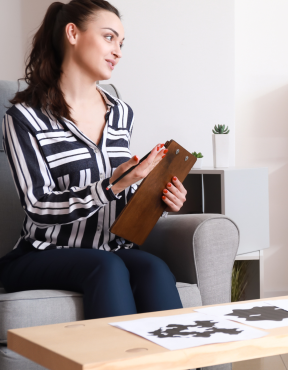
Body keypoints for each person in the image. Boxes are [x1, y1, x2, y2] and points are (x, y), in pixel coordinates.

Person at [0, 0, 188, 320]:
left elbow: (119, 197)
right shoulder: (25, 116)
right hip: (44, 253)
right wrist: (113, 185)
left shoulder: (121, 113)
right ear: (73, 33)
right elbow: (38, 206)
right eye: (109, 37)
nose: (118, 51)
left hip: (109, 249)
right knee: (107, 266)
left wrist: (158, 199)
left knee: (154, 268)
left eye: (121, 43)